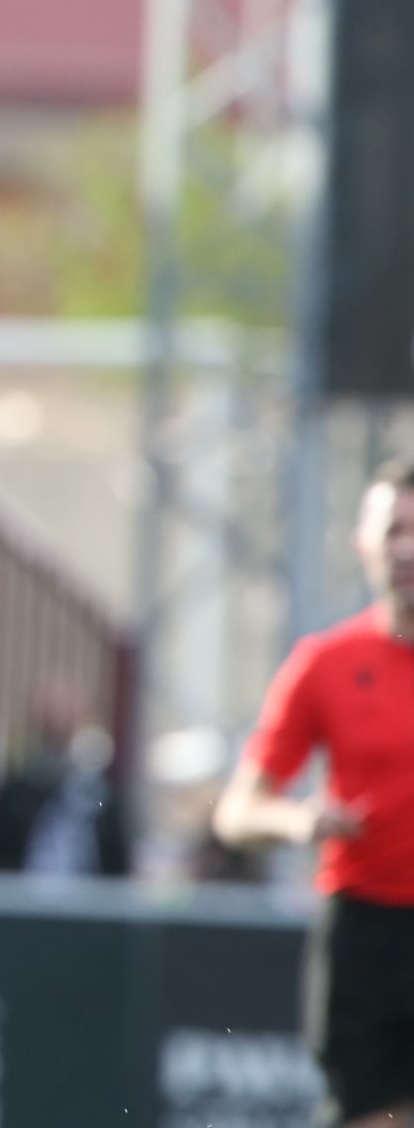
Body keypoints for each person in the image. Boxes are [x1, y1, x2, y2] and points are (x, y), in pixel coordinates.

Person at [214, 455, 414, 1128]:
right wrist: (300, 822)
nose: (406, 549)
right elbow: (237, 811)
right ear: (364, 541)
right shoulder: (325, 664)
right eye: (392, 530)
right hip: (365, 930)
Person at [0, 680, 129, 878]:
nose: (59, 721)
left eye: (66, 713)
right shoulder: (15, 791)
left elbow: (115, 858)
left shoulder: (101, 791)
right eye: (52, 714)